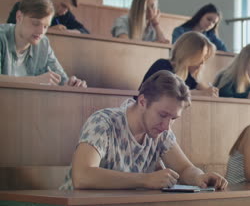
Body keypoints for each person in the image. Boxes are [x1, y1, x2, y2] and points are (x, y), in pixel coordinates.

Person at [60, 70, 227, 190]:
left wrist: (200, 177)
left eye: (173, 119)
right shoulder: (103, 122)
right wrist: (146, 180)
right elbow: (82, 176)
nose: (166, 126)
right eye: (162, 115)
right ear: (142, 102)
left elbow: (184, 169)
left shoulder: (161, 131)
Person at [0, 0, 87, 87]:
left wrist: (72, 84)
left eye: (46, 26)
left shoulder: (43, 43)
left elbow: (61, 80)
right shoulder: (1, 37)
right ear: (19, 17)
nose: (41, 31)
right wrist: (35, 81)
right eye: (36, 23)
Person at [139, 31, 218, 97]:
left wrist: (208, 90)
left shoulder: (187, 75)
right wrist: (201, 93)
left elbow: (198, 86)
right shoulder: (163, 65)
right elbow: (169, 94)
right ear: (189, 54)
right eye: (201, 57)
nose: (203, 62)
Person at [7, 0, 89, 34]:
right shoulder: (28, 5)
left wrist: (68, 32)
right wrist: (49, 30)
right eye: (63, 5)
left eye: (68, 9)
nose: (64, 11)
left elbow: (84, 31)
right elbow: (12, 28)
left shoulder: (65, 15)